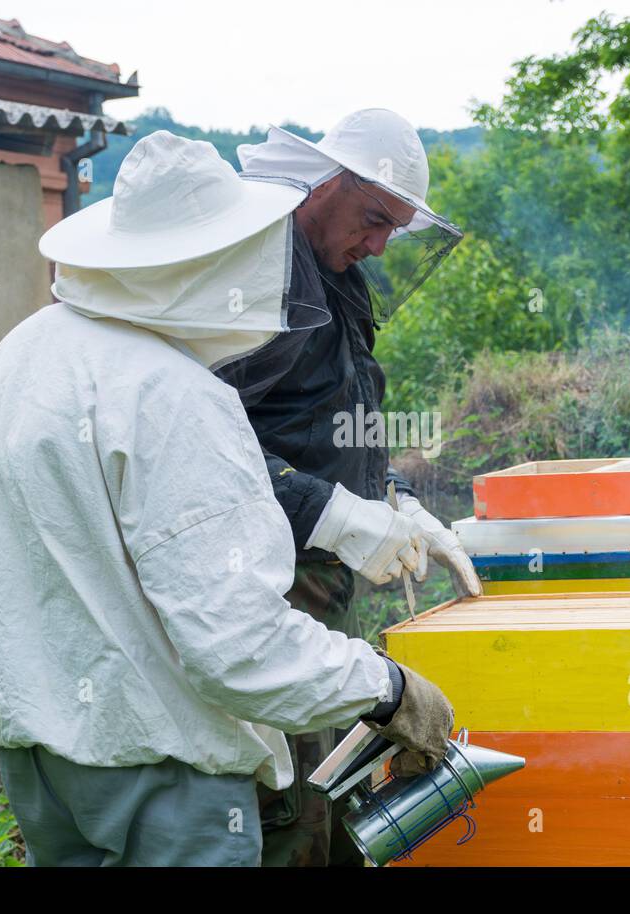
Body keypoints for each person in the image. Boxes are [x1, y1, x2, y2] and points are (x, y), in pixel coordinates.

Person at [0, 131, 453, 867]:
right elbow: (239, 646)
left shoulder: (23, 353)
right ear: (204, 261)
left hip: (41, 756)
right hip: (161, 767)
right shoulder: (172, 392)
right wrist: (390, 689)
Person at [214, 109, 481, 867]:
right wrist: (333, 514)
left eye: (393, 229)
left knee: (332, 784)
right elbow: (207, 454)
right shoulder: (253, 275)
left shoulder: (340, 280)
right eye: (372, 218)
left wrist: (394, 499)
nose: (378, 243)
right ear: (322, 184)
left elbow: (336, 418)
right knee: (289, 798)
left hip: (324, 587)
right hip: (264, 586)